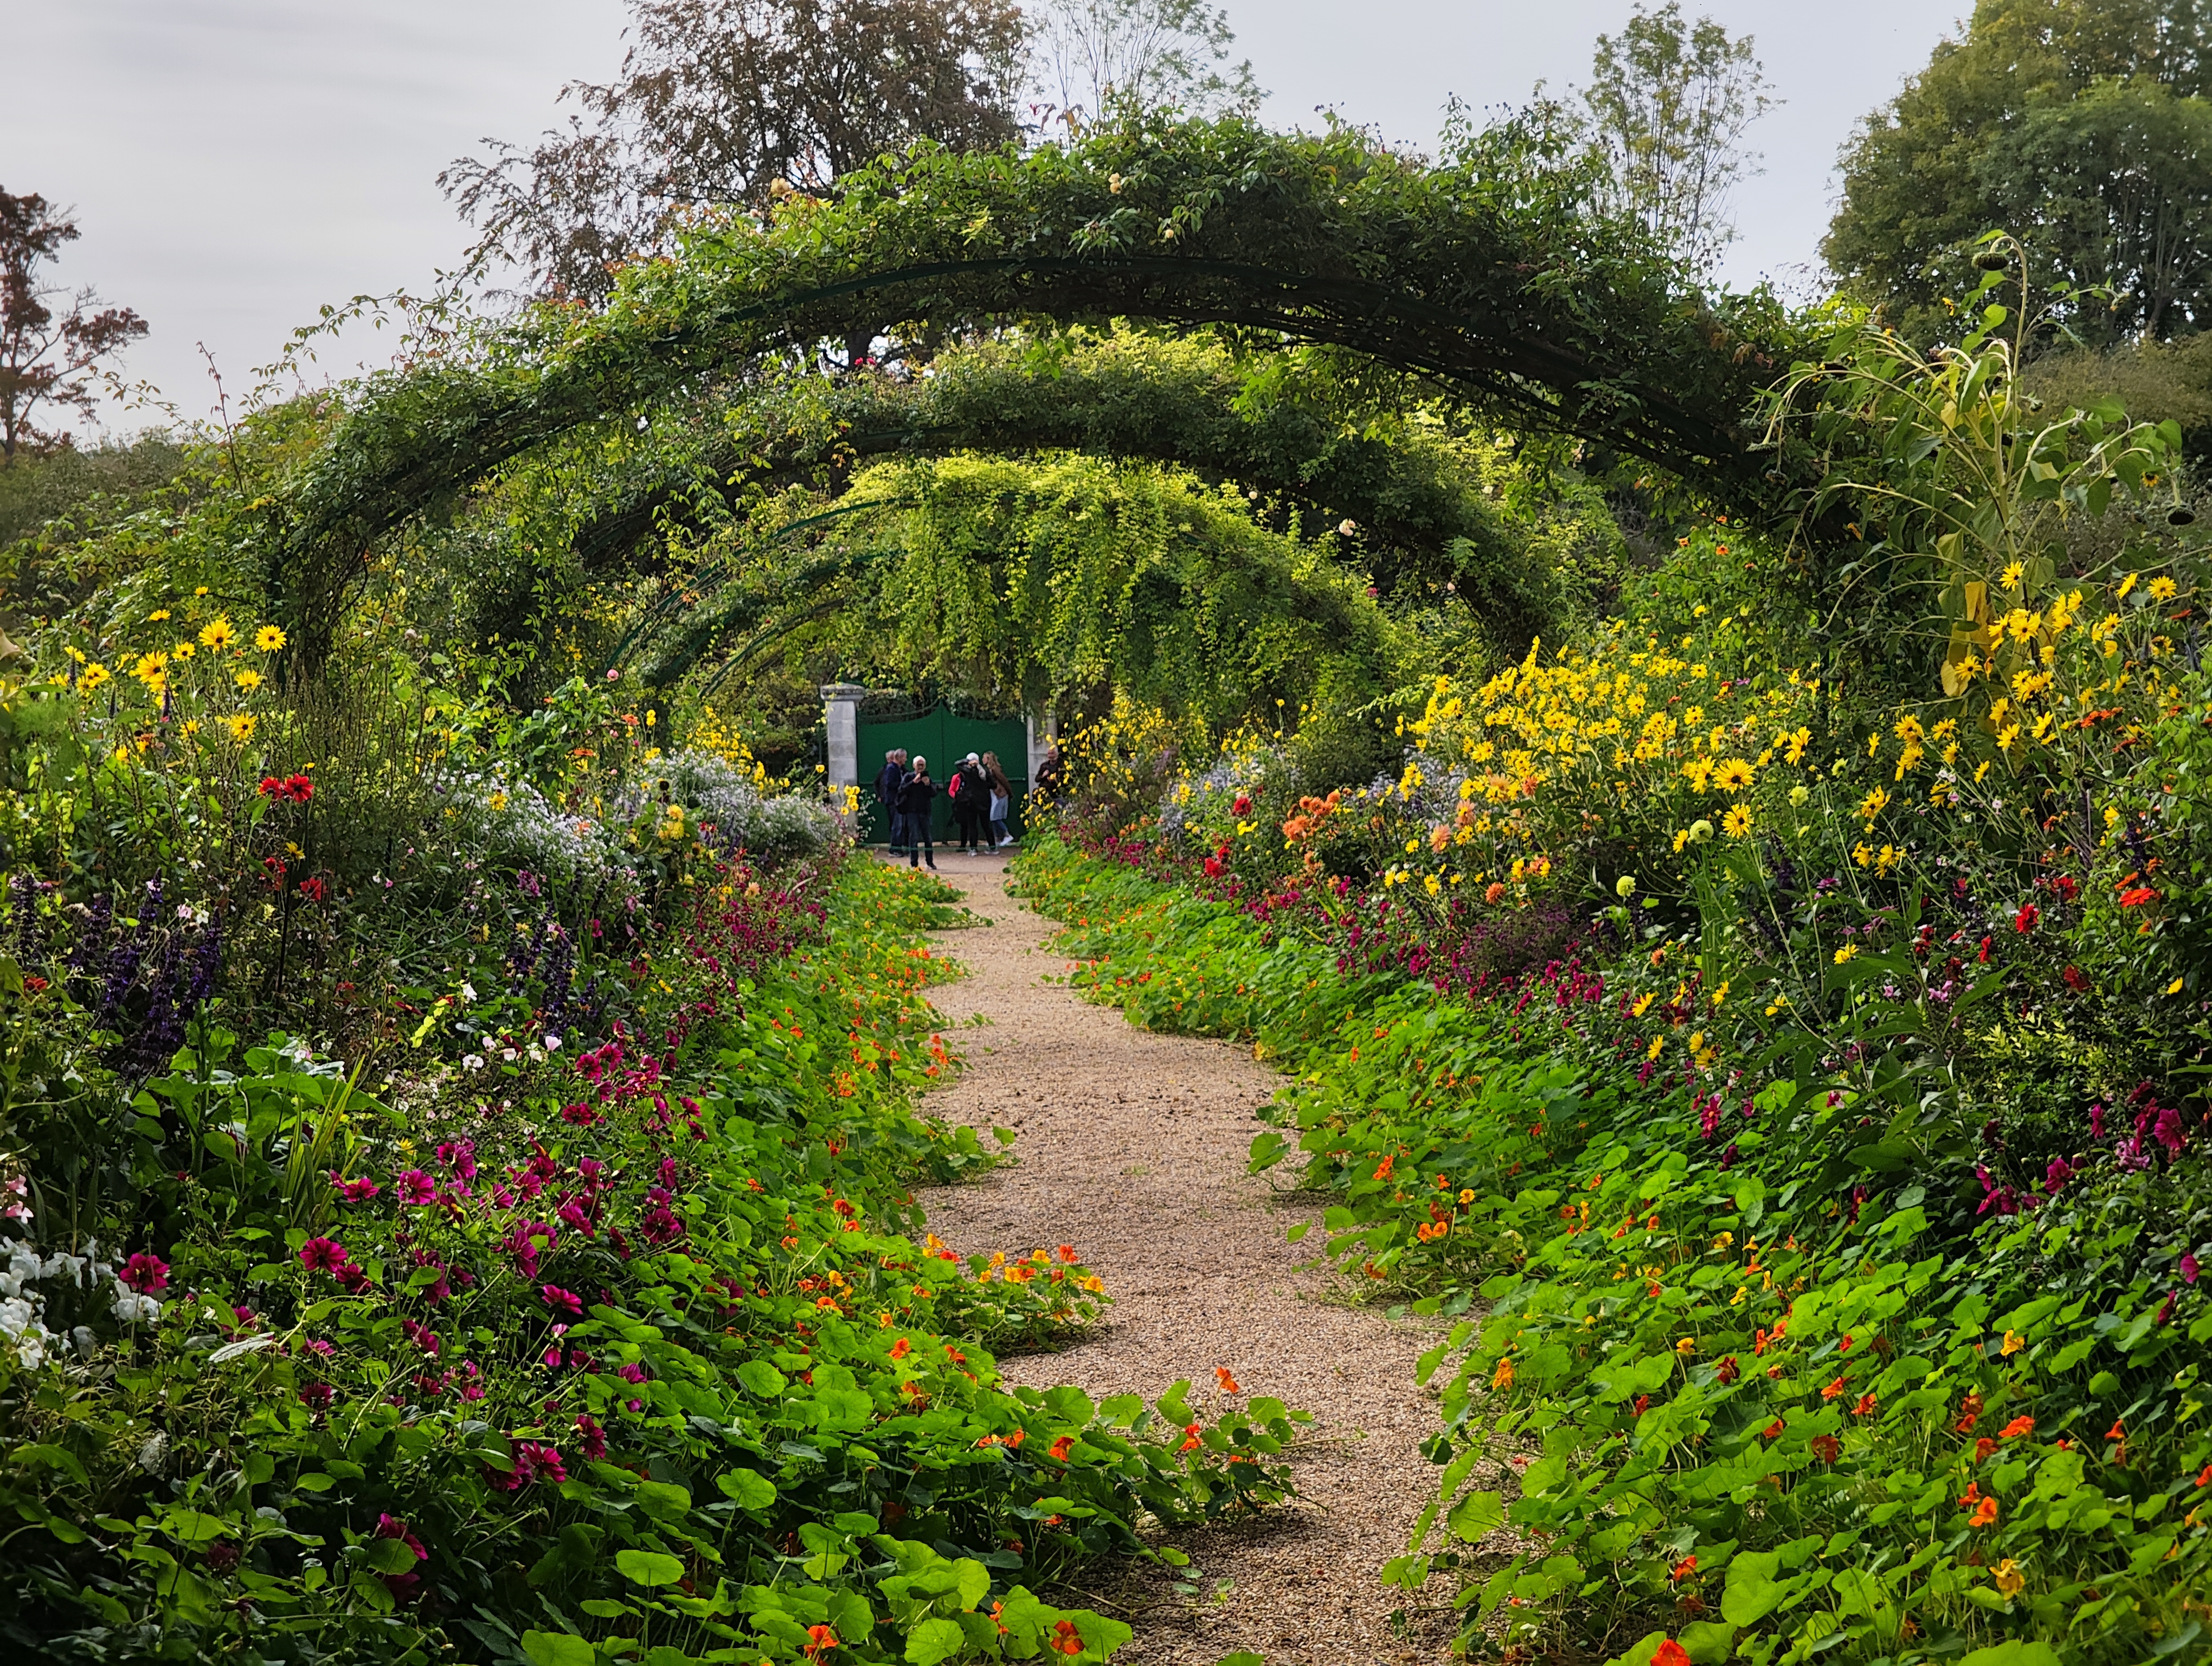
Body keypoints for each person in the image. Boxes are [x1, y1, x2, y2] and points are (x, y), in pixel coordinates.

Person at [897, 755, 938, 869]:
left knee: (928, 838)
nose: (920, 767)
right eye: (918, 765)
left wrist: (928, 785)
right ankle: (914, 863)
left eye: (922, 765)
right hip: (912, 812)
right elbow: (901, 790)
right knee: (913, 838)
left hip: (925, 812)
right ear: (914, 766)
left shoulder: (928, 778)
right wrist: (913, 783)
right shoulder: (908, 777)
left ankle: (930, 862)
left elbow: (934, 793)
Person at [950, 752, 988, 854]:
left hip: (977, 801)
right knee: (970, 825)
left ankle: (988, 846)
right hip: (968, 802)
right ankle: (971, 847)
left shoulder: (981, 772)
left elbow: (991, 784)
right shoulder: (967, 773)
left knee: (983, 825)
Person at [874, 748, 907, 854]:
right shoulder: (891, 769)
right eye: (905, 757)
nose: (906, 760)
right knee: (897, 826)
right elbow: (889, 784)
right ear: (900, 758)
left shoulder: (899, 769)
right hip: (894, 801)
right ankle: (894, 849)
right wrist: (902, 786)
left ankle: (898, 847)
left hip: (898, 801)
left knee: (899, 825)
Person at [981, 750, 1014, 849]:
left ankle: (1007, 835)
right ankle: (997, 839)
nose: (983, 759)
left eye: (984, 758)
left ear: (989, 759)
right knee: (993, 818)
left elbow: (1004, 781)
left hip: (1000, 795)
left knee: (995, 817)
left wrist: (1009, 793)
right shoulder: (988, 770)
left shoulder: (995, 770)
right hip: (994, 795)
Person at [1032, 740, 1064, 805]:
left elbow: (1064, 778)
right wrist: (1043, 776)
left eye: (1052, 753)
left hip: (1057, 793)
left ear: (1056, 754)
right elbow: (1037, 779)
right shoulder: (1044, 766)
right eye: (1049, 754)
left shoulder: (1061, 765)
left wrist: (1056, 779)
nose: (1050, 756)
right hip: (1045, 793)